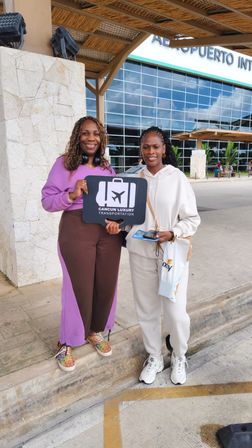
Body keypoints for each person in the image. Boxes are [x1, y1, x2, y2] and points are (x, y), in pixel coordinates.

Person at [107, 126, 200, 385]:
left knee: (175, 311)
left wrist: (174, 232)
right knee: (147, 309)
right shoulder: (135, 181)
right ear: (141, 149)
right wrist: (117, 225)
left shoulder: (177, 178)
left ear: (164, 148)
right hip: (140, 253)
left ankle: (179, 356)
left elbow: (192, 219)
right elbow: (127, 220)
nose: (150, 151)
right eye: (146, 146)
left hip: (171, 255)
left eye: (155, 146)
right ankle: (155, 357)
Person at [41, 116, 122, 372]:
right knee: (78, 289)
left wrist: (116, 222)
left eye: (96, 134)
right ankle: (66, 342)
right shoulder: (64, 163)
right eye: (85, 133)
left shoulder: (107, 167)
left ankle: (94, 331)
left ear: (102, 138)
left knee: (105, 284)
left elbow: (117, 203)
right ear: (78, 136)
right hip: (76, 228)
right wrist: (72, 194)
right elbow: (47, 201)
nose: (91, 138)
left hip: (106, 233)